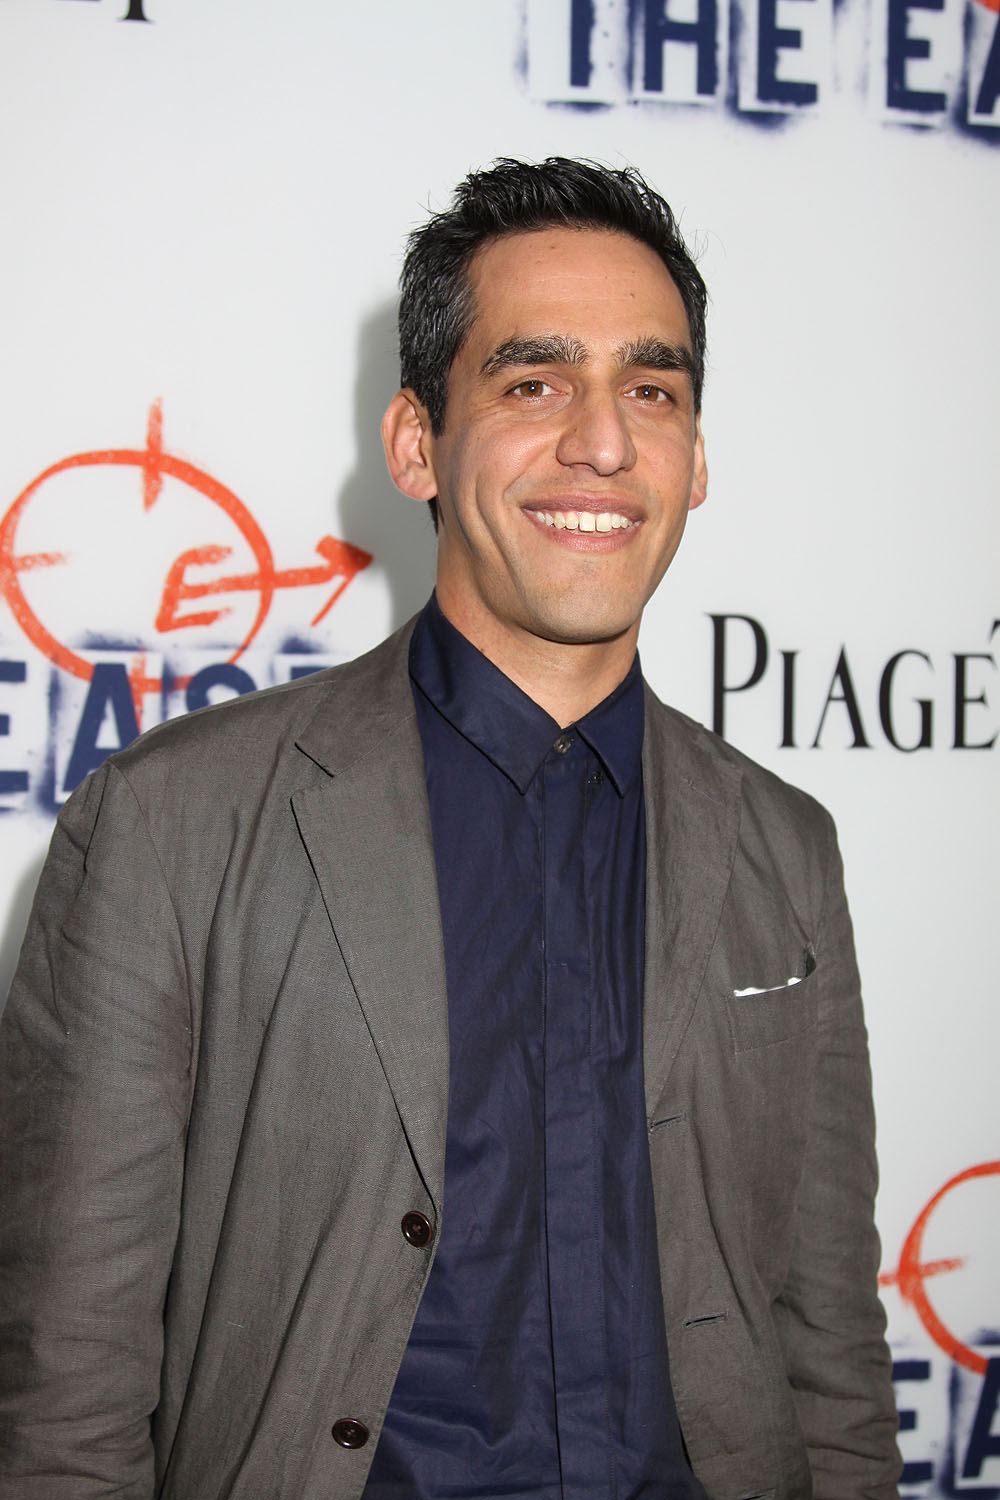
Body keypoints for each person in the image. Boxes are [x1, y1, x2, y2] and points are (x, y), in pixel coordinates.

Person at [0, 158, 900, 1499]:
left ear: (698, 457)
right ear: (417, 441)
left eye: (652, 390)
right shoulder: (170, 827)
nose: (604, 443)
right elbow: (67, 1386)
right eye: (533, 384)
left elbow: (830, 1352)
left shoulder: (787, 848)